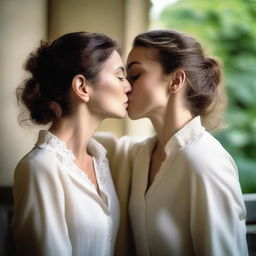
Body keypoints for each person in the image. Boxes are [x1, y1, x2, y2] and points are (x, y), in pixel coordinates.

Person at [96, 30, 248, 256]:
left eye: (135, 75)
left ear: (176, 80)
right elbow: (86, 141)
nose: (125, 86)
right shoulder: (140, 155)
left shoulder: (205, 163)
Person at [12, 31, 131, 256]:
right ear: (82, 87)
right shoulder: (41, 167)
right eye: (119, 76)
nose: (128, 87)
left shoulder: (100, 159)